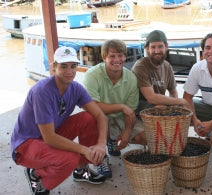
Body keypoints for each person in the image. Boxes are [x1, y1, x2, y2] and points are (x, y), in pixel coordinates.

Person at [10, 46, 109, 195]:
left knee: (89, 118)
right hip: (27, 144)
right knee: (70, 159)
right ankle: (37, 177)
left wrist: (101, 145)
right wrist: (85, 150)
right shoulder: (41, 91)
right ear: (54, 66)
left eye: (73, 66)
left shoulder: (76, 88)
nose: (69, 71)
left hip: (50, 135)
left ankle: (81, 170)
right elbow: (49, 138)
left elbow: (100, 116)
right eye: (63, 66)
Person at [83, 39, 147, 179]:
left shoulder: (131, 78)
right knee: (98, 119)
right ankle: (101, 157)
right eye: (112, 56)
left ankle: (113, 140)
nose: (117, 59)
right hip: (98, 116)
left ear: (125, 57)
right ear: (104, 57)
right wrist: (121, 106)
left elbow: (130, 110)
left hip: (120, 116)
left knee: (145, 137)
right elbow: (92, 106)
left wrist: (127, 131)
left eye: (120, 55)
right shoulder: (91, 75)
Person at [131, 29, 189, 114]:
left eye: (160, 46)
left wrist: (175, 107)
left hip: (159, 103)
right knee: (161, 107)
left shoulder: (167, 66)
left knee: (184, 108)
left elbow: (173, 92)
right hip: (140, 105)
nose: (157, 51)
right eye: (153, 47)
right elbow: (151, 98)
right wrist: (180, 101)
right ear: (147, 48)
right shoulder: (140, 67)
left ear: (166, 46)